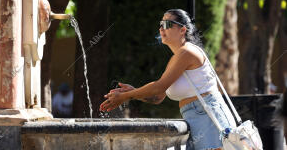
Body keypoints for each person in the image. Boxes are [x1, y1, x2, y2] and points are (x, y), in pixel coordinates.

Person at [100, 9, 236, 150]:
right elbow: (158, 96)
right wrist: (134, 92)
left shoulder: (187, 52)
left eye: (167, 24)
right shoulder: (176, 57)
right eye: (160, 24)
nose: (161, 28)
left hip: (208, 116)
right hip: (198, 116)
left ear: (182, 30)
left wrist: (125, 96)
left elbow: (159, 87)